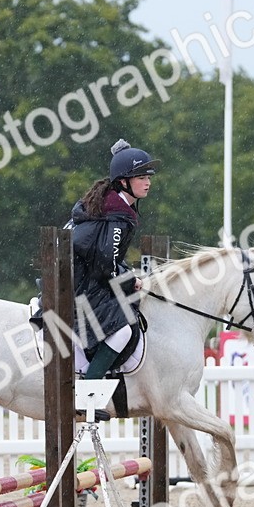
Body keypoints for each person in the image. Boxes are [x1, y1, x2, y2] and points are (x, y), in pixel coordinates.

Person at [68, 138, 159, 384]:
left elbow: (105, 258)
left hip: (78, 280)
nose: (148, 182)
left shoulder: (109, 204)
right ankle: (87, 391)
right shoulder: (117, 215)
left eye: (149, 177)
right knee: (122, 331)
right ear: (123, 182)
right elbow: (105, 266)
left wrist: (128, 275)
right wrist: (130, 281)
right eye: (141, 177)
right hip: (80, 288)